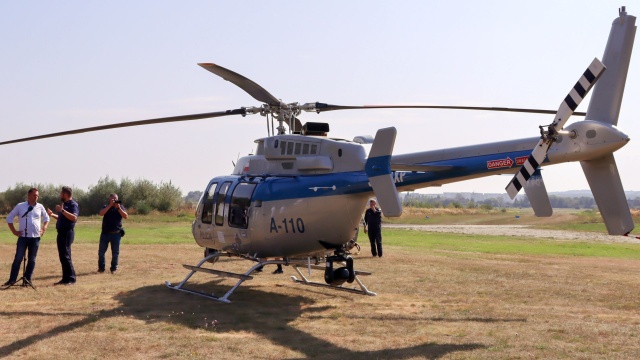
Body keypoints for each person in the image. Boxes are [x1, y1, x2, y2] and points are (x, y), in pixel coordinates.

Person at [3, 188, 50, 286]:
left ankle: (27, 279)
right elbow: (9, 218)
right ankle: (12, 280)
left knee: (32, 259)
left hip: (35, 237)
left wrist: (44, 228)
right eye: (34, 195)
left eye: (37, 195)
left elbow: (47, 218)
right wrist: (14, 231)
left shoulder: (40, 207)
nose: (36, 197)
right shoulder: (20, 206)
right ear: (28, 195)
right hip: (23, 237)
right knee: (18, 258)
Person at [47, 186, 79, 285]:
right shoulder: (64, 205)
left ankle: (71, 278)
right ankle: (65, 278)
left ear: (65, 194)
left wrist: (62, 211)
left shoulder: (73, 204)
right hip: (61, 233)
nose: (60, 195)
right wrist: (52, 215)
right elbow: (62, 218)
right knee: (63, 256)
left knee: (65, 256)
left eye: (61, 193)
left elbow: (74, 218)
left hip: (67, 232)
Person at [98, 193, 128, 274]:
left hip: (116, 234)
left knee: (115, 253)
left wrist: (118, 208)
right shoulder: (105, 206)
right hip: (105, 233)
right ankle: (101, 268)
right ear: (109, 199)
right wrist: (110, 206)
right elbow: (101, 213)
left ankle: (113, 268)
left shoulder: (120, 207)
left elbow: (125, 216)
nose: (115, 201)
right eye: (113, 199)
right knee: (101, 252)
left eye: (116, 199)